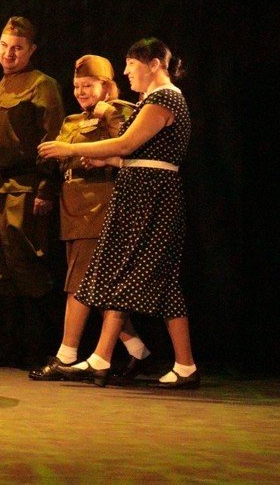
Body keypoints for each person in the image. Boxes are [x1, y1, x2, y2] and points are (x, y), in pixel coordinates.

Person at [37, 38, 198, 388]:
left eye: (131, 64)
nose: (125, 72)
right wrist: (106, 160)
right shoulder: (151, 100)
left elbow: (127, 144)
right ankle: (182, 365)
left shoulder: (165, 98)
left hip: (152, 198)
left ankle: (103, 358)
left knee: (128, 276)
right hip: (142, 192)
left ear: (154, 64)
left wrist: (69, 148)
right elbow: (137, 156)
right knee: (155, 282)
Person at [29, 55, 151, 382]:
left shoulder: (120, 111)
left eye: (88, 85)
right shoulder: (72, 120)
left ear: (106, 86)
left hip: (101, 206)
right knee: (94, 285)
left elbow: (130, 143)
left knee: (79, 283)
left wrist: (107, 110)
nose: (81, 92)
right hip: (72, 207)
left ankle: (66, 355)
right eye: (77, 86)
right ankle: (138, 350)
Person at [0, 16, 64, 369]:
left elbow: (53, 138)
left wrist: (47, 187)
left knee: (27, 264)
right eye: (4, 45)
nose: (9, 53)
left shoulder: (42, 85)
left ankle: (40, 347)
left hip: (25, 187)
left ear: (31, 50)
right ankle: (6, 345)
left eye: (17, 48)